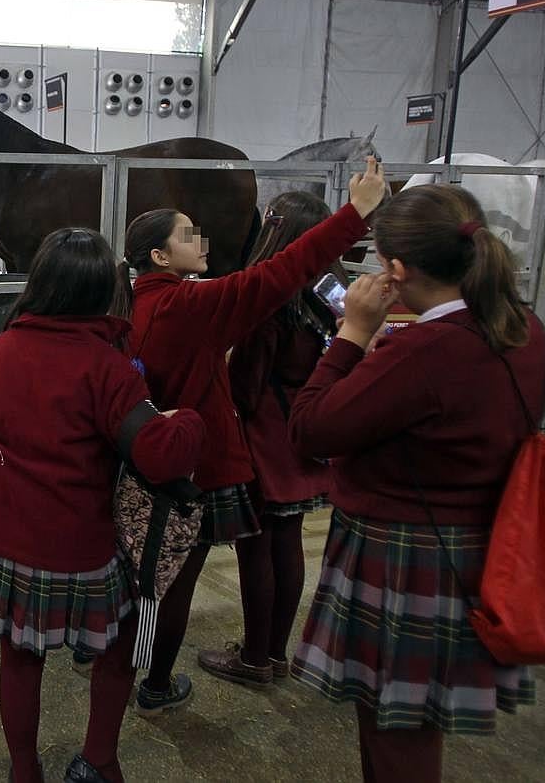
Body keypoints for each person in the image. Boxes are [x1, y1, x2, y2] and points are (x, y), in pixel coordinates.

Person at [288, 183, 545, 783]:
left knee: (394, 733)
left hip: (406, 554)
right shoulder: (525, 331)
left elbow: (311, 428)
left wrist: (354, 336)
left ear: (394, 268)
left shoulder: (423, 353)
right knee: (416, 723)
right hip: (480, 548)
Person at [111, 156, 387, 712]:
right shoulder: (190, 306)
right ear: (162, 255)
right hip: (195, 468)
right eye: (189, 234)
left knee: (143, 574)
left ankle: (123, 666)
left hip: (144, 459)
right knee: (174, 584)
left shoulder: (132, 306)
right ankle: (154, 683)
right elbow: (278, 274)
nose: (203, 238)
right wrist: (354, 214)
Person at [0, 227, 206, 783]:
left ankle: (25, 769)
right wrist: (189, 418)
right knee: (116, 647)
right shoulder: (106, 368)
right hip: (77, 547)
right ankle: (99, 759)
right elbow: (161, 457)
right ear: (103, 292)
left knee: (19, 656)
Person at [207, 192, 341, 688]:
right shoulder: (331, 291)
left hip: (264, 434)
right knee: (289, 545)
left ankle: (255, 657)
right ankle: (278, 652)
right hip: (304, 431)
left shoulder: (273, 299)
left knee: (256, 549)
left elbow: (246, 382)